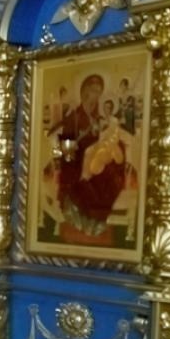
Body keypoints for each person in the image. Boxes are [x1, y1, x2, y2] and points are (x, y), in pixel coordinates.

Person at [55, 73, 127, 242]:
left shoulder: (100, 118)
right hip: (77, 166)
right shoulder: (73, 119)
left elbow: (107, 138)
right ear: (84, 92)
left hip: (98, 163)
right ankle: (88, 221)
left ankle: (97, 221)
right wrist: (79, 149)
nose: (96, 96)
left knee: (112, 175)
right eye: (93, 91)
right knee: (94, 181)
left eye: (99, 92)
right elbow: (67, 152)